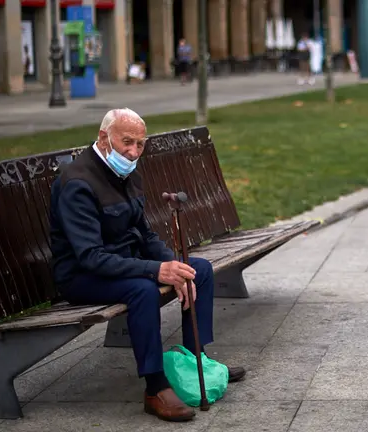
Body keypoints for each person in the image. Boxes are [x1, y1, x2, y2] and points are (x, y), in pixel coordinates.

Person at [49, 108, 246, 422]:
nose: (133, 151)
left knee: (199, 270)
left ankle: (197, 361)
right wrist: (156, 271)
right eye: (127, 142)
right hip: (82, 276)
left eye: (140, 144)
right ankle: (155, 387)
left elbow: (145, 234)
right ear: (103, 137)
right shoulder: (77, 184)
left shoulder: (127, 173)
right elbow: (90, 257)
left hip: (123, 264)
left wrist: (172, 264)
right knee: (143, 290)